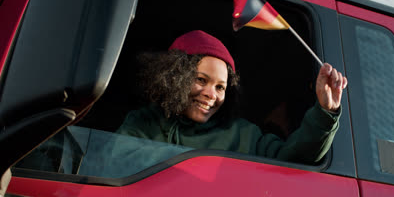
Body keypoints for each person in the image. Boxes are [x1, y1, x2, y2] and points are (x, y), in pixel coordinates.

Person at [117, 30, 347, 165]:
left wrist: (325, 112)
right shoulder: (142, 122)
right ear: (175, 77)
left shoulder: (243, 135)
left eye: (220, 87)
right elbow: (114, 164)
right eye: (200, 80)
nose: (211, 94)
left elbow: (294, 158)